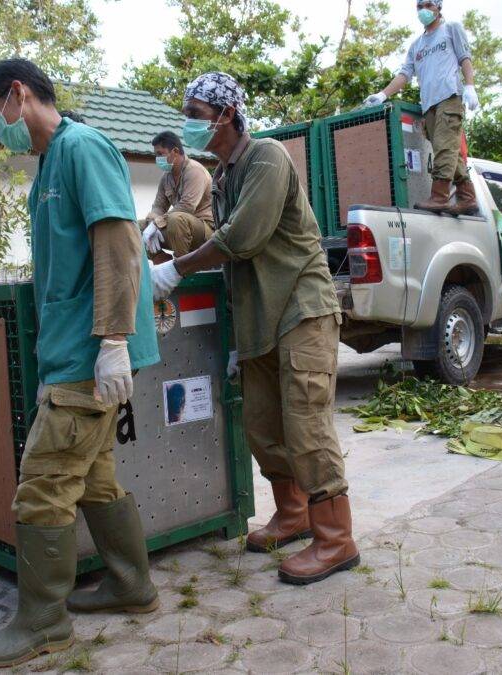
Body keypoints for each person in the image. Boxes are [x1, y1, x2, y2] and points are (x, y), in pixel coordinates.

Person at [0, 58, 161, 668]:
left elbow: (119, 245)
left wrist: (111, 341)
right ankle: (132, 585)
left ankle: (43, 623)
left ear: (18, 94)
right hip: (71, 351)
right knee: (94, 477)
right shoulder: (48, 164)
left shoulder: (83, 148)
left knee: (44, 486)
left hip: (88, 352)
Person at [151, 72, 359, 586]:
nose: (189, 122)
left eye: (196, 113)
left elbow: (242, 237)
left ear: (226, 114)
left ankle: (336, 540)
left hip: (302, 309)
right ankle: (293, 514)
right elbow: (232, 261)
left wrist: (178, 267)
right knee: (263, 427)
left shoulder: (267, 157)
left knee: (305, 424)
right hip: (260, 318)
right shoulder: (222, 177)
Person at [364, 0, 479, 215]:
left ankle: (440, 197)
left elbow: (465, 58)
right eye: (420, 6)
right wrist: (382, 94)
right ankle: (467, 197)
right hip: (429, 104)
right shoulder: (417, 45)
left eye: (428, 5)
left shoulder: (451, 29)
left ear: (438, 7)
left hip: (449, 96)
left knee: (445, 148)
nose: (423, 10)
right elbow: (405, 74)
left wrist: (470, 86)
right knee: (447, 151)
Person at [141, 131, 214, 262]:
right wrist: (152, 221)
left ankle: (182, 266)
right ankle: (161, 262)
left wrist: (157, 223)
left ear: (175, 151)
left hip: (205, 230)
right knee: (138, 227)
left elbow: (187, 207)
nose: (157, 159)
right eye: (155, 155)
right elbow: (158, 207)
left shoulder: (194, 170)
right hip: (179, 230)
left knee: (176, 219)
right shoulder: (166, 177)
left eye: (160, 154)